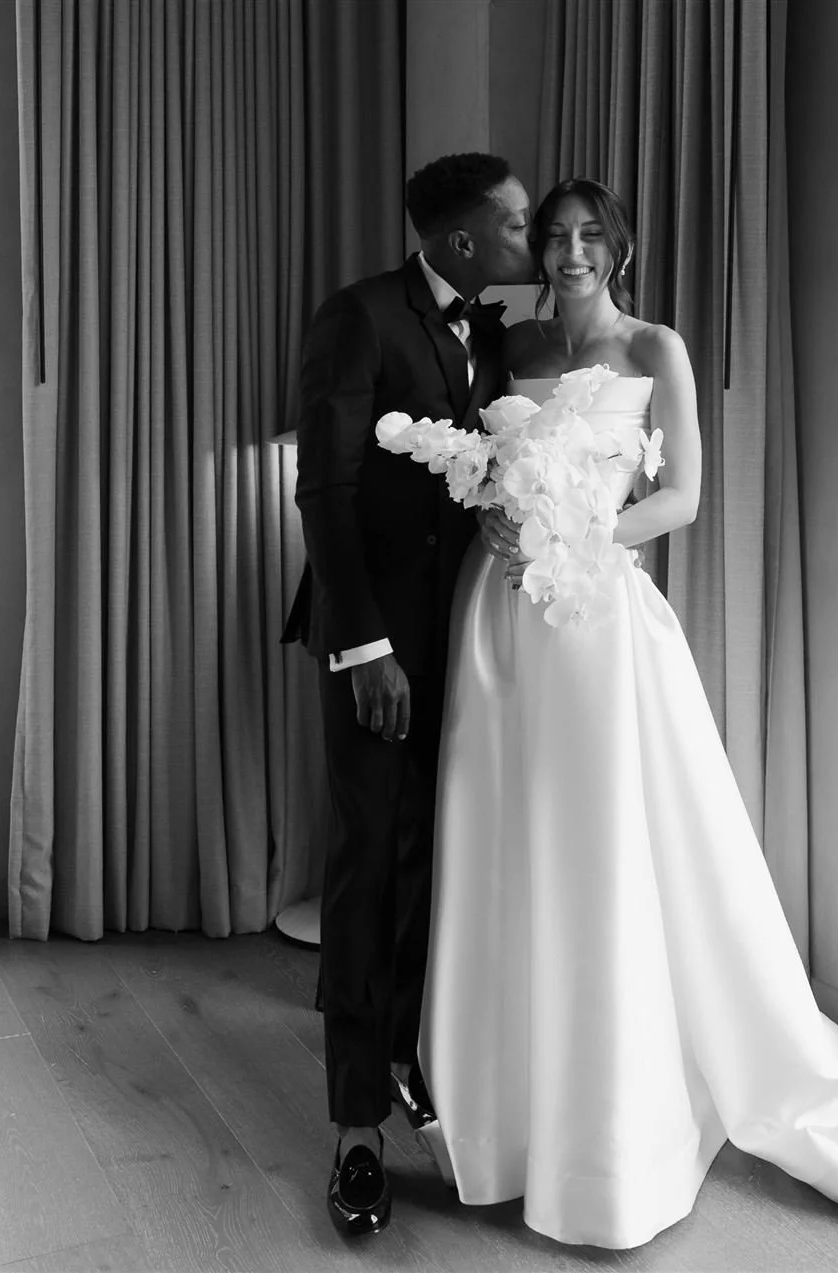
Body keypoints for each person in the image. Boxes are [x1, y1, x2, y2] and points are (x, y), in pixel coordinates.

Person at [418, 178, 838, 1249]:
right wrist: (504, 518)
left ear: (619, 247)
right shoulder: (509, 350)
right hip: (499, 617)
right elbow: (483, 466)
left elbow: (682, 493)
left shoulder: (656, 350)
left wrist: (584, 537)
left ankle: (609, 1127)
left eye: (589, 236)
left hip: (596, 614)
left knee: (600, 845)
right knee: (503, 836)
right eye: (552, 238)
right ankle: (501, 1110)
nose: (569, 253)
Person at [282, 151, 534, 1238]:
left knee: (440, 863)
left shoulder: (493, 329)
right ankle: (351, 1131)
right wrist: (365, 648)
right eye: (517, 226)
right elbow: (324, 486)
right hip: (379, 651)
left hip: (470, 638)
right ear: (463, 238)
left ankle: (417, 1064)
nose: (529, 244)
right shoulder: (358, 317)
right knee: (367, 865)